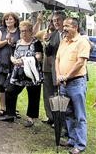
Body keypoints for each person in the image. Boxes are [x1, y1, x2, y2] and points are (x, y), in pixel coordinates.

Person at [55, 18, 90, 154]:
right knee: (68, 113)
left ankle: (80, 145)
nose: (64, 28)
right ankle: (72, 139)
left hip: (76, 82)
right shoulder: (64, 41)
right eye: (63, 25)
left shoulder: (82, 42)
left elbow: (80, 63)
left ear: (75, 27)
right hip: (64, 83)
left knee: (79, 114)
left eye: (67, 26)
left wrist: (67, 75)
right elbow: (58, 59)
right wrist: (58, 75)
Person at [0, 21, 43, 127]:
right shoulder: (18, 42)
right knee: (10, 90)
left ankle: (30, 118)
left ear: (30, 31)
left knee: (33, 95)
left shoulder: (36, 43)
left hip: (32, 73)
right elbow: (13, 54)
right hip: (18, 73)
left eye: (25, 31)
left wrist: (25, 60)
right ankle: (10, 114)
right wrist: (13, 60)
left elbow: (39, 57)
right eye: (21, 31)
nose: (23, 33)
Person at [0, 12, 20, 117]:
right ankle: (3, 107)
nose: (8, 21)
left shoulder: (19, 31)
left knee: (13, 85)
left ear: (15, 20)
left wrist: (13, 42)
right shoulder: (1, 30)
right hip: (3, 60)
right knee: (1, 84)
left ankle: (12, 108)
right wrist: (6, 40)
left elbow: (22, 42)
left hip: (15, 61)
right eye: (6, 19)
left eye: (10, 19)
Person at [34, 14, 56, 125]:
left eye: (54, 21)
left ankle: (57, 118)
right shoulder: (44, 32)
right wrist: (38, 21)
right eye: (50, 21)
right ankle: (50, 117)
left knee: (56, 93)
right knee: (47, 93)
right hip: (46, 67)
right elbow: (34, 35)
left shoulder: (60, 34)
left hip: (57, 68)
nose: (51, 23)